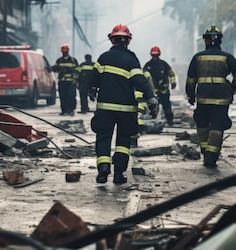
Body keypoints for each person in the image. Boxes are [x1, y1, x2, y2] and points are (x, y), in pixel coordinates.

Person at [90, 24, 158, 184]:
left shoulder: (104, 57)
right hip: (126, 109)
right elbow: (139, 80)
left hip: (105, 107)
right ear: (128, 41)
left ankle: (103, 169)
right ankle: (119, 174)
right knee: (123, 141)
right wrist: (151, 98)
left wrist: (92, 90)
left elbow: (94, 79)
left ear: (112, 40)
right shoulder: (131, 58)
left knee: (103, 138)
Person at [185, 26, 236, 168]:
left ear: (206, 40)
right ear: (219, 40)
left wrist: (190, 95)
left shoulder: (198, 57)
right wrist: (234, 86)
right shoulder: (227, 57)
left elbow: (191, 79)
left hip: (203, 96)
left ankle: (205, 151)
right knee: (218, 124)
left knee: (202, 123)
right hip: (222, 96)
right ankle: (211, 157)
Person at [143, 46, 177, 126]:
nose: (155, 57)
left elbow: (171, 73)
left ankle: (170, 121)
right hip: (153, 91)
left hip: (164, 90)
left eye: (156, 56)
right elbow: (143, 76)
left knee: (167, 107)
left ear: (159, 55)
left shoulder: (164, 64)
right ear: (151, 55)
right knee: (153, 107)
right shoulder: (148, 65)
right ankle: (153, 122)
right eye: (154, 56)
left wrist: (173, 82)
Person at [52, 44, 79, 116]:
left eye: (65, 51)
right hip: (62, 81)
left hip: (71, 82)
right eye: (63, 51)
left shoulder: (73, 60)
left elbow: (77, 71)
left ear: (68, 51)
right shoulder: (59, 60)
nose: (64, 53)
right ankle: (64, 110)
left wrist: (75, 80)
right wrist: (55, 68)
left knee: (71, 96)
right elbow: (55, 69)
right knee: (63, 96)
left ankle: (71, 110)